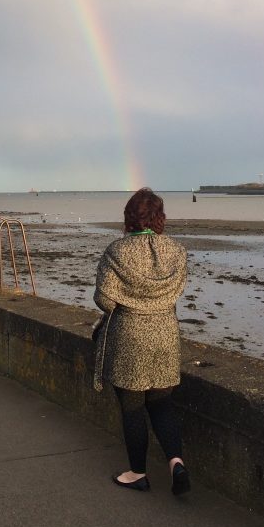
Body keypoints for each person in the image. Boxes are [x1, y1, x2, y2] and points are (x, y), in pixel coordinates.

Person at [93, 187, 190, 495]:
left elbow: (105, 301)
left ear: (129, 217)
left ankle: (138, 473)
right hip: (165, 334)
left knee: (133, 408)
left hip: (130, 336)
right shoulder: (176, 250)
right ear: (159, 218)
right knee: (161, 404)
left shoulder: (117, 252)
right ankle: (176, 462)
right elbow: (177, 292)